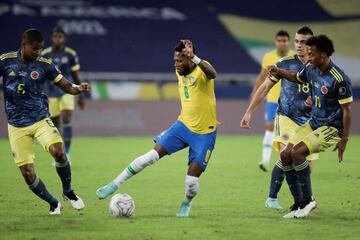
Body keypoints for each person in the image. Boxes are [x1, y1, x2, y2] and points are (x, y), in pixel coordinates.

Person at [96, 39, 218, 217]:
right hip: (183, 126)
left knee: (191, 181)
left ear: (191, 59)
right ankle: (114, 184)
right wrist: (184, 58)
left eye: (180, 61)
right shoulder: (180, 71)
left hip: (205, 133)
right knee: (150, 157)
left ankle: (187, 202)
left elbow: (213, 74)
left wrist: (195, 58)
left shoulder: (202, 69)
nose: (176, 65)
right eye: (175, 61)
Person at [0, 28, 91, 215]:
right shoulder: (5, 61)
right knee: (27, 173)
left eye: (41, 49)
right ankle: (53, 202)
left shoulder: (45, 64)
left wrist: (78, 88)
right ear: (24, 45)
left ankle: (68, 191)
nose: (39, 52)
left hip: (40, 119)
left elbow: (66, 85)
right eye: (35, 49)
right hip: (16, 125)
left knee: (58, 151)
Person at [267, 35, 352, 218]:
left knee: (297, 153)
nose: (309, 57)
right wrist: (280, 72)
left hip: (331, 128)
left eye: (312, 54)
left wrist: (344, 138)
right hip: (313, 122)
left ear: (323, 55)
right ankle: (298, 203)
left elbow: (347, 110)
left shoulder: (339, 78)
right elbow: (297, 78)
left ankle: (309, 200)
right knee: (285, 154)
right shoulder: (311, 68)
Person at [241, 27, 318, 215]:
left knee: (306, 165)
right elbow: (265, 87)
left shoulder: (319, 67)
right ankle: (298, 201)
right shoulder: (284, 63)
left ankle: (302, 201)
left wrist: (316, 102)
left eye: (304, 42)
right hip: (286, 117)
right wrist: (249, 111)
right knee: (285, 154)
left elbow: (328, 94)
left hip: (309, 122)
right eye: (297, 41)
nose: (299, 45)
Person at [250, 30, 293, 171]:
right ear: (276, 42)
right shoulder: (269, 57)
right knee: (269, 126)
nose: (282, 43)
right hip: (272, 99)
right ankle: (265, 161)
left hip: (290, 100)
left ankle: (289, 160)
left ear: (288, 42)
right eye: (279, 40)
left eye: (284, 40)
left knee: (289, 133)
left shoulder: (294, 56)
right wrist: (254, 95)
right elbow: (262, 77)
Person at [42, 27, 85, 162]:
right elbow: (40, 75)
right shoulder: (45, 54)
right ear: (52, 38)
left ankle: (67, 153)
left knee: (66, 118)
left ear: (64, 38)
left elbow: (75, 76)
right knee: (55, 122)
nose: (57, 39)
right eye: (55, 36)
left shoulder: (71, 54)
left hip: (67, 91)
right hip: (51, 93)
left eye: (60, 37)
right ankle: (59, 153)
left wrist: (80, 94)